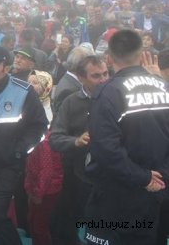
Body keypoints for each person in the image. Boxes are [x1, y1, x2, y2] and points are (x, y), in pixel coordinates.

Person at [84, 29, 169, 244]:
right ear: (142, 55)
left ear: (109, 58)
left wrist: (144, 177)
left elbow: (105, 149)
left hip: (118, 195)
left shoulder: (109, 92)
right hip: (158, 192)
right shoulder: (164, 87)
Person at [0, 45, 47, 245]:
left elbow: (39, 127)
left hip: (11, 164)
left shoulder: (23, 92)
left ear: (6, 66)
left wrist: (21, 151)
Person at [49, 55, 109, 244]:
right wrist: (76, 141)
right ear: (81, 78)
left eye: (106, 74)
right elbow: (55, 139)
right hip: (76, 177)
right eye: (96, 76)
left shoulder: (117, 98)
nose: (103, 80)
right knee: (70, 224)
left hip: (109, 178)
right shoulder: (71, 102)